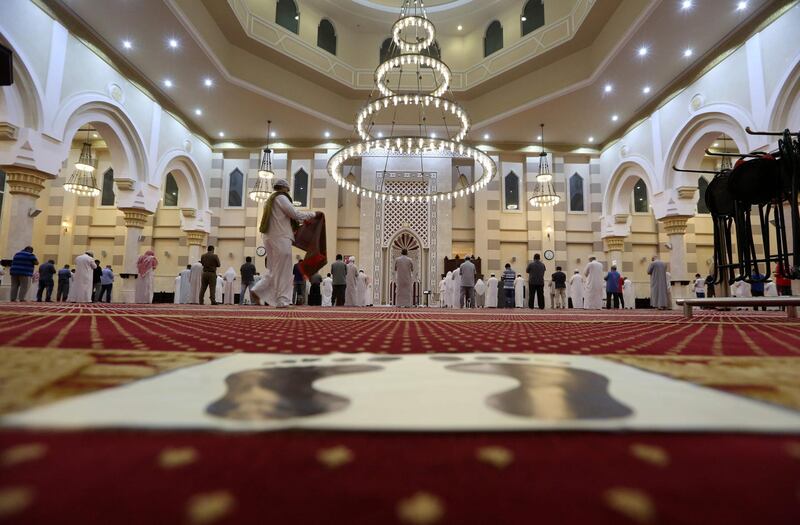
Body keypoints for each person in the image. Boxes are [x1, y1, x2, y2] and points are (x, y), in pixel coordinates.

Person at [257, 179, 318, 308]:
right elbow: (294, 214)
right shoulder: (281, 198)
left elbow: (285, 218)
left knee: (275, 269)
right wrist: (312, 214)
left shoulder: (270, 200)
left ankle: (259, 290)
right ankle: (282, 301)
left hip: (269, 236)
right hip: (280, 236)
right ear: (284, 189)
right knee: (284, 270)